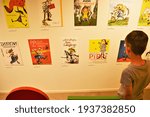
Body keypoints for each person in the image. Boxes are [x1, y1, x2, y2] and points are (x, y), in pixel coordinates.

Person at [118, 30, 150, 100]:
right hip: (139, 98)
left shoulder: (127, 72)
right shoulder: (149, 64)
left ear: (128, 49)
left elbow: (128, 95)